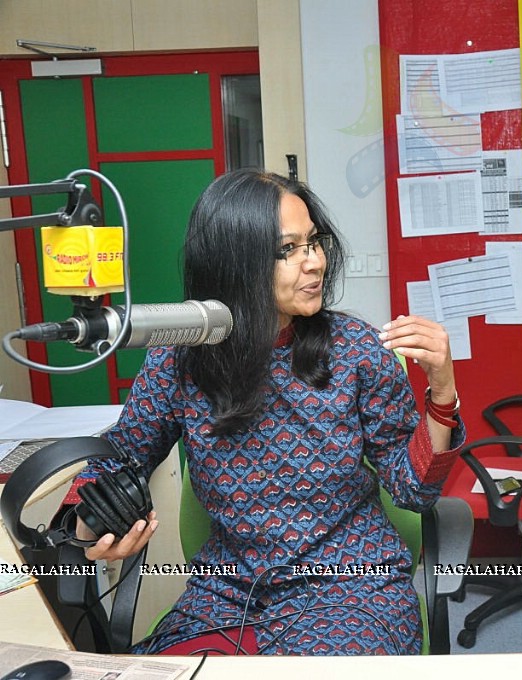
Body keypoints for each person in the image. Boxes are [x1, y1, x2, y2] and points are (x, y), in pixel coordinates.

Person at [70, 169, 465, 655]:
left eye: (314, 243)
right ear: (234, 262)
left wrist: (442, 389)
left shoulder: (355, 350)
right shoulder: (180, 356)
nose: (315, 262)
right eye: (288, 250)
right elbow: (118, 458)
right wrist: (88, 527)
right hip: (226, 593)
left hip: (350, 589)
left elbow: (415, 488)